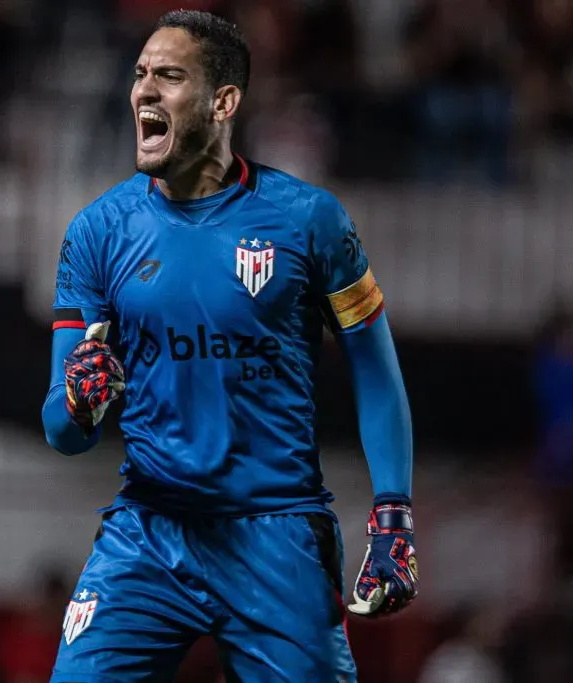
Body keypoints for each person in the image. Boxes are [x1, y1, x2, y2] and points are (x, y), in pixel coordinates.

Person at [40, 10, 417, 682]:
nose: (144, 91)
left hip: (275, 536)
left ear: (224, 101)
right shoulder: (97, 232)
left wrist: (393, 514)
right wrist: (78, 399)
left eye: (169, 76)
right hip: (149, 533)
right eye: (140, 74)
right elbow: (61, 431)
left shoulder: (309, 220)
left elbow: (375, 367)